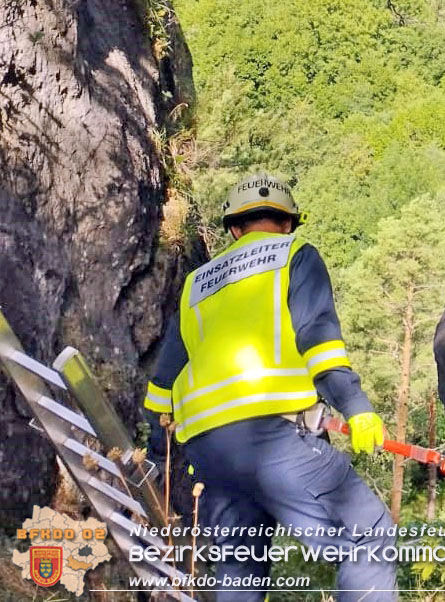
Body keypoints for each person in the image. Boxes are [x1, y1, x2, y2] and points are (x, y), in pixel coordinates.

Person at [142, 173, 397, 601]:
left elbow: (162, 388)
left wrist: (157, 454)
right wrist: (356, 406)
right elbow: (319, 340)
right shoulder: (294, 254)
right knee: (367, 534)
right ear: (287, 223)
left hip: (209, 452)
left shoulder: (196, 285)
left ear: (234, 228)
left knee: (239, 565)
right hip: (275, 439)